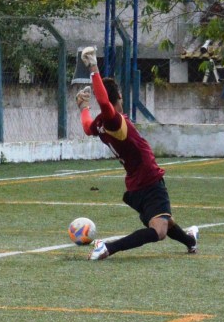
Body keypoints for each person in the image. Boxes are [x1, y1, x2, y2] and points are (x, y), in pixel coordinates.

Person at [76, 46, 198, 260]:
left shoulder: (101, 123)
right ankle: (107, 248)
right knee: (159, 231)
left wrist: (84, 107)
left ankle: (190, 240)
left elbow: (87, 127)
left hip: (136, 183)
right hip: (149, 179)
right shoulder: (113, 119)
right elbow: (105, 102)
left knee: (165, 222)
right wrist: (94, 67)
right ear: (120, 96)